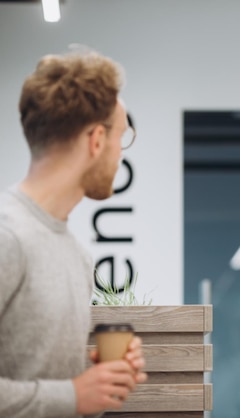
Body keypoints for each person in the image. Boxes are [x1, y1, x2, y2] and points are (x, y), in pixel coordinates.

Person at [0, 50, 147, 417]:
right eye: (121, 138)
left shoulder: (75, 254)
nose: (119, 156)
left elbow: (37, 378)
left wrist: (95, 379)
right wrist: (72, 395)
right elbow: (64, 396)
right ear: (97, 140)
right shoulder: (7, 237)